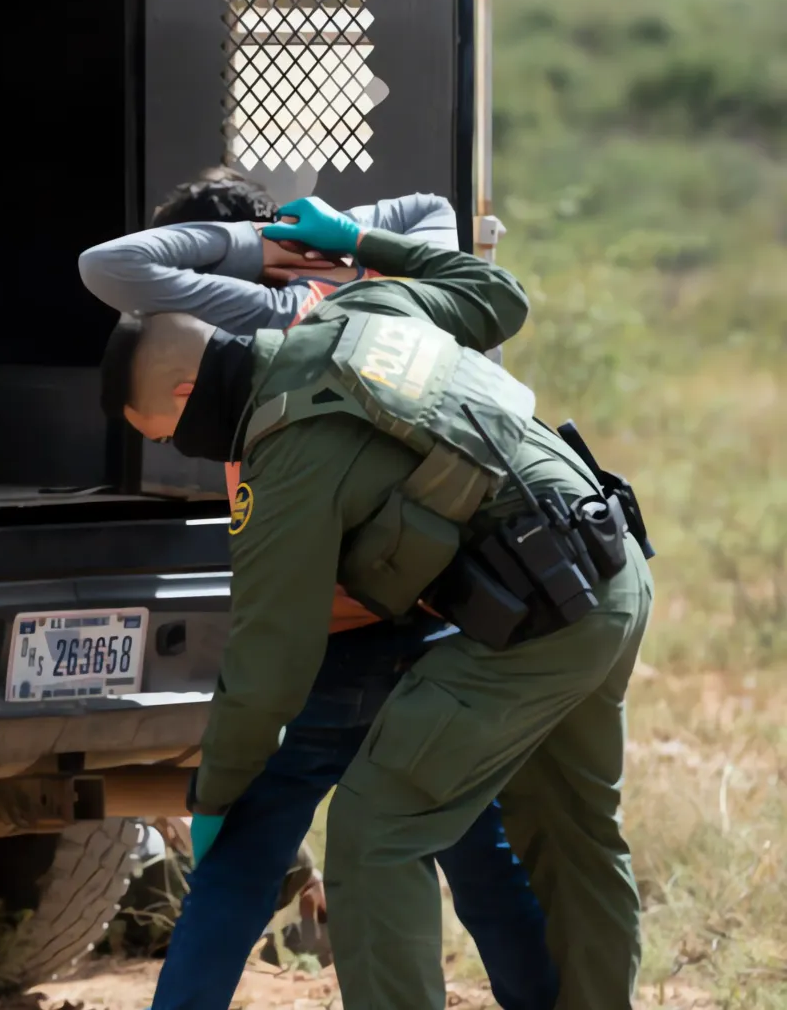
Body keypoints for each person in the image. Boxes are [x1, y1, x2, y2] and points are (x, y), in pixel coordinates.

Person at [115, 196, 653, 1010]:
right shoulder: (372, 300)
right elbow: (502, 300)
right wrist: (365, 241)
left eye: (160, 433)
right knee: (573, 840)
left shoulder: (283, 449)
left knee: (374, 834)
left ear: (189, 390)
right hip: (611, 575)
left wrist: (215, 797)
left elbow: (269, 665)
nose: (168, 450)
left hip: (535, 622)